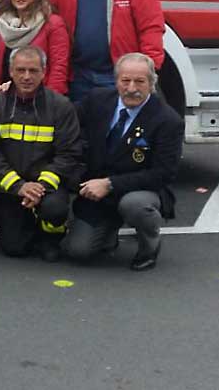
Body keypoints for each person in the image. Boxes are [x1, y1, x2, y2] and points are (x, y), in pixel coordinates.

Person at [63, 53, 182, 271]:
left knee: (134, 205)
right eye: (125, 80)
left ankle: (150, 246)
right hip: (98, 194)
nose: (131, 88)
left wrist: (109, 184)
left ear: (151, 84)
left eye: (140, 81)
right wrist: (14, 91)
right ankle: (108, 233)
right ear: (116, 80)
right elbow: (61, 114)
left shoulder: (168, 120)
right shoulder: (97, 100)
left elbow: (163, 174)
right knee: (78, 251)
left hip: (141, 190)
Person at [0, 45, 82, 261]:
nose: (26, 77)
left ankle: (51, 235)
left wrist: (40, 187)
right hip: (11, 187)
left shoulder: (61, 106)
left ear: (44, 72)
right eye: (20, 70)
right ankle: (24, 220)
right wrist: (19, 186)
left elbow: (69, 154)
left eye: (33, 71)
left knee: (54, 209)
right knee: (14, 248)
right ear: (11, 72)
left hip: (46, 188)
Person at [0, 0, 69, 95]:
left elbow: (59, 67)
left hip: (41, 98)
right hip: (8, 97)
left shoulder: (53, 23)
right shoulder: (4, 23)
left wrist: (50, 101)